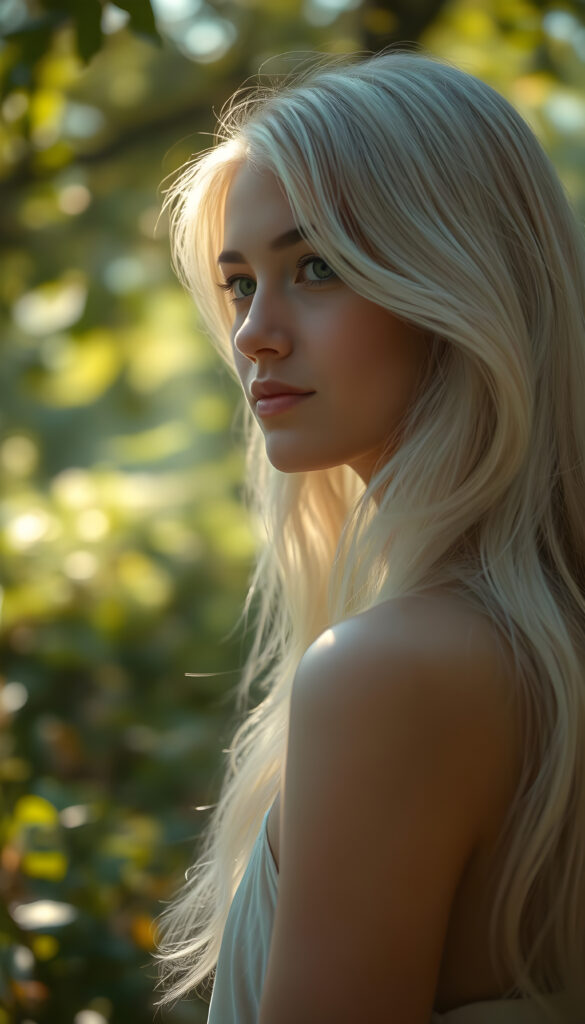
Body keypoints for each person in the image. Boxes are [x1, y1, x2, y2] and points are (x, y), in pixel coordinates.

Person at [155, 48, 585, 1023]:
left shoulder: (388, 671)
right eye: (238, 283)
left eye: (316, 267)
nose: (254, 334)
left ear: (459, 281)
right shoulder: (529, 642)